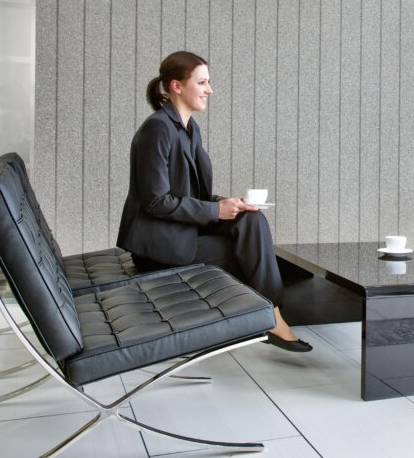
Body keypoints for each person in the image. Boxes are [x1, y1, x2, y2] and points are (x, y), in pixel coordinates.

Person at [116, 51, 311, 352]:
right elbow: (156, 201)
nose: (210, 89)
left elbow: (194, 194)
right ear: (176, 86)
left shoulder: (189, 129)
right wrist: (215, 210)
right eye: (202, 82)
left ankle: (271, 314)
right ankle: (268, 317)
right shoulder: (158, 129)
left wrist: (229, 204)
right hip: (159, 247)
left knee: (252, 219)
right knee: (245, 254)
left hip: (183, 232)